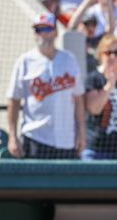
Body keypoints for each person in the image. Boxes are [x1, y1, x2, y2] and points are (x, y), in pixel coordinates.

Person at [6, 13, 86, 159]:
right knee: (36, 182)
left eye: (47, 29)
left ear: (55, 32)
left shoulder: (69, 60)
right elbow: (13, 100)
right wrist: (12, 136)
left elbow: (79, 99)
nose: (43, 34)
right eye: (39, 30)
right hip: (36, 137)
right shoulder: (24, 61)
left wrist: (81, 132)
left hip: (66, 139)